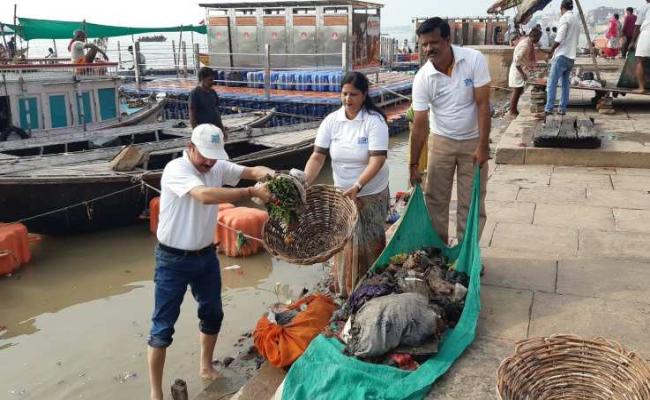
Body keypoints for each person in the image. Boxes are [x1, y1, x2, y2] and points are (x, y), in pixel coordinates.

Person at [147, 123, 273, 400]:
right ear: (190, 147)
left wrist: (272, 176)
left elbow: (251, 171)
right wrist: (251, 192)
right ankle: (156, 393)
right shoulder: (176, 169)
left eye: (213, 156)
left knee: (213, 312)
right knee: (162, 328)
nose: (208, 162)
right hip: (172, 259)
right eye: (203, 155)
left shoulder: (217, 166)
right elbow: (204, 195)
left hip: (206, 255)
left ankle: (206, 366)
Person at [302, 71, 390, 297]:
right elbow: (318, 156)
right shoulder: (332, 121)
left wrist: (359, 185)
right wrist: (303, 182)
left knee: (368, 242)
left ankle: (372, 285)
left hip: (370, 193)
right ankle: (346, 289)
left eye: (353, 94)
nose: (348, 99)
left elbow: (377, 159)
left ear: (364, 95)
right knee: (344, 242)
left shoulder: (374, 121)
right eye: (344, 94)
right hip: (342, 193)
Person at [410, 17, 491, 246]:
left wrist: (483, 146)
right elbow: (419, 124)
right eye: (423, 44)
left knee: (472, 201)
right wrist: (413, 164)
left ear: (447, 39)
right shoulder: (423, 78)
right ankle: (439, 252)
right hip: (441, 142)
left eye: (433, 42)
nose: (428, 49)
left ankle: (468, 254)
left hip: (473, 141)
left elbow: (483, 105)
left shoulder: (473, 59)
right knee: (435, 200)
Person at [538, 0, 581, 118]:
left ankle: (548, 109)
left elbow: (559, 37)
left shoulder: (565, 18)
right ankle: (562, 109)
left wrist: (551, 51)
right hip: (571, 57)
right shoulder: (576, 20)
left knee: (552, 83)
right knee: (565, 84)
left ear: (562, 8)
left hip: (562, 55)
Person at [509, 29, 544, 118]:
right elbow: (516, 61)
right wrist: (523, 74)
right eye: (538, 38)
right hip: (518, 70)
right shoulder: (525, 45)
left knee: (519, 90)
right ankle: (512, 111)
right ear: (534, 37)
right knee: (516, 91)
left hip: (522, 68)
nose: (538, 40)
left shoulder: (528, 42)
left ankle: (514, 110)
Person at [190, 67, 226, 136]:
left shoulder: (213, 92)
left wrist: (222, 130)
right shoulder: (195, 93)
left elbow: (216, 113)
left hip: (214, 130)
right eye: (210, 80)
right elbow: (192, 116)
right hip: (203, 131)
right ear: (202, 79)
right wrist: (197, 134)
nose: (212, 82)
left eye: (213, 79)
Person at [630, 0, 650, 93]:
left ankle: (641, 88)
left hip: (647, 33)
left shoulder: (645, 7)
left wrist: (633, 41)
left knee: (640, 61)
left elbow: (637, 26)